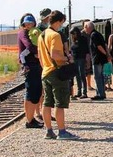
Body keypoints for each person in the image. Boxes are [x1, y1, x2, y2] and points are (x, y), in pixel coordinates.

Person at [38, 10, 77, 140]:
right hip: (57, 72)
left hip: (46, 72)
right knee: (60, 103)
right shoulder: (55, 35)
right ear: (59, 21)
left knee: (47, 103)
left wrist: (46, 67)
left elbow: (41, 57)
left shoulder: (42, 35)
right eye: (62, 22)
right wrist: (67, 58)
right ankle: (62, 131)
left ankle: (49, 131)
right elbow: (55, 55)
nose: (61, 25)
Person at [17, 13, 43, 128]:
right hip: (30, 65)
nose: (29, 25)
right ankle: (30, 119)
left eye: (31, 23)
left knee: (35, 91)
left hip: (35, 65)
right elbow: (29, 45)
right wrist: (40, 52)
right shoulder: (23, 33)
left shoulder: (33, 32)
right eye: (27, 23)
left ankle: (31, 118)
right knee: (31, 92)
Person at [84, 21, 111, 100]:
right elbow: (105, 44)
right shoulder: (98, 34)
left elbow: (99, 46)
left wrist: (106, 54)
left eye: (85, 27)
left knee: (97, 77)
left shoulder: (93, 35)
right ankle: (102, 93)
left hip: (97, 59)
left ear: (88, 27)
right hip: (102, 59)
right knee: (101, 77)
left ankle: (100, 94)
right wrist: (107, 54)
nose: (85, 30)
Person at [70, 26, 89, 99]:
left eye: (73, 33)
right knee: (77, 75)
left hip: (81, 58)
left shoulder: (83, 39)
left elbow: (86, 50)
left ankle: (84, 92)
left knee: (82, 75)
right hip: (75, 59)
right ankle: (79, 91)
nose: (72, 35)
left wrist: (87, 60)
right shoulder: (73, 40)